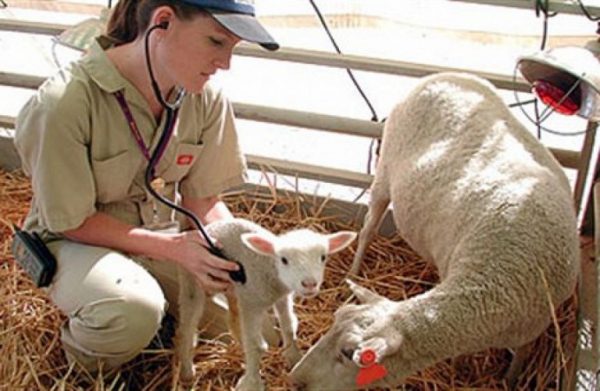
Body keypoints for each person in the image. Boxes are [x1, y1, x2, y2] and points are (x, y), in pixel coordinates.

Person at [13, 0, 278, 373]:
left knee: (265, 323)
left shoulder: (205, 98)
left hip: (161, 242)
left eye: (234, 48)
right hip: (76, 241)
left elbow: (203, 201)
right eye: (216, 42)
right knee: (130, 311)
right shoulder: (64, 103)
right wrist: (174, 249)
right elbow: (71, 221)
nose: (226, 63)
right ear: (163, 21)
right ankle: (80, 369)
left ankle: (154, 321)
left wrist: (245, 254)